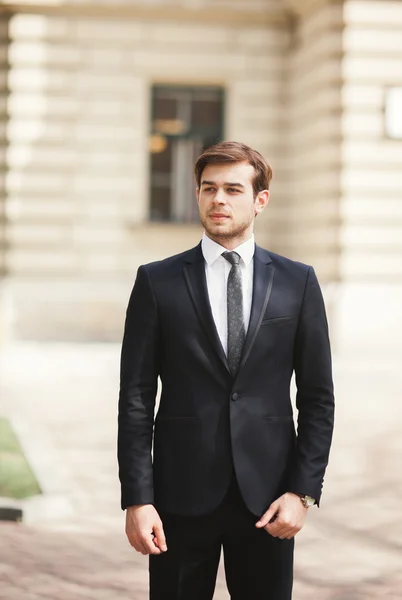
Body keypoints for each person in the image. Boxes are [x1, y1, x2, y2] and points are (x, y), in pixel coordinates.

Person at [118, 141, 335, 599]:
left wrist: (302, 492)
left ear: (260, 200)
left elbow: (317, 397)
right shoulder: (157, 281)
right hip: (179, 499)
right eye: (208, 188)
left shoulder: (299, 282)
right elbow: (135, 399)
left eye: (233, 189)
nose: (219, 199)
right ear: (197, 195)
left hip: (269, 501)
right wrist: (138, 499)